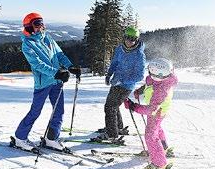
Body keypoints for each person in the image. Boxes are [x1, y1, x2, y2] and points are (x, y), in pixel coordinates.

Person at [13, 12, 81, 151]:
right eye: (37, 24)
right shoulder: (27, 44)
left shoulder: (47, 38)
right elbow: (37, 64)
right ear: (29, 27)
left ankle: (51, 138)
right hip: (43, 83)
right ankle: (20, 138)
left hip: (56, 82)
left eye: (42, 23)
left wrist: (70, 66)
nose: (41, 27)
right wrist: (55, 72)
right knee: (35, 111)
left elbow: (59, 54)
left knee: (59, 110)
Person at [124, 58, 178, 169]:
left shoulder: (161, 89)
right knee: (156, 129)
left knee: (150, 135)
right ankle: (163, 148)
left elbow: (151, 110)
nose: (149, 74)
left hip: (157, 111)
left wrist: (133, 106)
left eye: (151, 73)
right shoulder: (160, 78)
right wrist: (141, 90)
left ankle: (159, 164)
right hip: (159, 109)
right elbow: (150, 83)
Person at [94, 26, 146, 142]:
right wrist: (109, 75)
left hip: (126, 86)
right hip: (115, 82)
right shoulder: (120, 49)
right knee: (113, 106)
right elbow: (114, 63)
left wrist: (123, 81)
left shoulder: (139, 55)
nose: (129, 41)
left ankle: (112, 134)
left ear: (137, 39)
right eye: (127, 37)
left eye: (132, 39)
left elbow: (139, 76)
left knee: (110, 107)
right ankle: (118, 127)